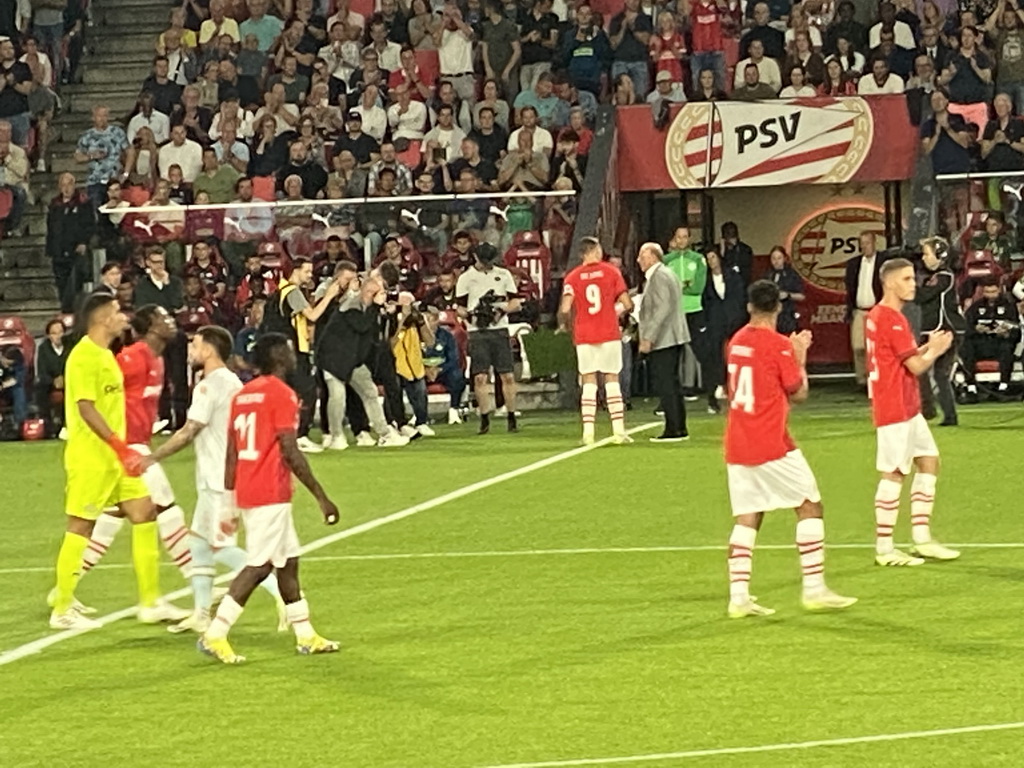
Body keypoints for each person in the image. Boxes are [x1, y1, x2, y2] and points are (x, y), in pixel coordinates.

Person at [197, 333, 341, 665]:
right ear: (278, 356)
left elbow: (232, 451)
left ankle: (306, 634)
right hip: (269, 491)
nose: (293, 355)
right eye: (288, 350)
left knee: (288, 561)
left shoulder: (244, 395)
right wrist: (321, 496)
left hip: (249, 488)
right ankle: (216, 633)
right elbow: (289, 449)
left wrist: (230, 498)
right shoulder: (281, 394)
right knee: (260, 565)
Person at [139, 325, 287, 634]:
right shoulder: (233, 382)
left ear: (208, 350)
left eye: (195, 345)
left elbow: (190, 429)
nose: (191, 350)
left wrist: (154, 457)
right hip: (223, 475)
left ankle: (284, 596)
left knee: (219, 546)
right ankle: (201, 613)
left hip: (217, 480)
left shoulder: (209, 387)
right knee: (199, 545)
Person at [725, 280, 857, 619]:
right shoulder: (779, 345)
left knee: (748, 516)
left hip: (738, 442)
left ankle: (738, 597)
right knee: (810, 506)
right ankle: (814, 589)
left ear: (750, 307)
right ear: (778, 308)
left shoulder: (737, 341)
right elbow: (798, 393)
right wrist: (800, 355)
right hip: (771, 442)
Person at [47, 294, 179, 630]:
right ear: (103, 318)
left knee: (144, 512)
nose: (124, 316)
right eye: (118, 311)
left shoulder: (106, 355)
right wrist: (119, 446)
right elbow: (86, 408)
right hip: (92, 458)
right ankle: (61, 607)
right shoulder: (83, 357)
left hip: (118, 458)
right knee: (81, 526)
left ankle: (150, 601)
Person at [72, 307, 198, 601]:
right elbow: (99, 395)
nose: (171, 322)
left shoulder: (158, 358)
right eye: (164, 318)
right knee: (165, 505)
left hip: (137, 443)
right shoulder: (131, 358)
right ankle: (196, 579)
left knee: (112, 517)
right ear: (151, 326)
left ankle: (66, 585)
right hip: (127, 448)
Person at [866, 258, 960, 567]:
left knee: (929, 461)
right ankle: (884, 548)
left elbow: (901, 358)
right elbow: (917, 366)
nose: (913, 283)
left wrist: (926, 347)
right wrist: (935, 350)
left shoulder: (881, 316)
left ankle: (921, 538)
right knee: (894, 473)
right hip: (894, 406)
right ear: (890, 282)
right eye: (907, 279)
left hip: (906, 405)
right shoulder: (891, 319)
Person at [558, 237, 633, 445]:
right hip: (608, 332)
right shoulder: (611, 271)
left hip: (584, 334)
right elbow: (627, 303)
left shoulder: (572, 277)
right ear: (596, 250)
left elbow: (565, 308)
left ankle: (588, 433)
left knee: (588, 381)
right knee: (612, 378)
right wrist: (613, 311)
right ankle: (619, 431)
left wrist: (568, 324)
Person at [271, 258, 342, 452]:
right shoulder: (292, 292)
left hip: (283, 351)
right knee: (308, 391)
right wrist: (328, 296)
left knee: (292, 394)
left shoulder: (281, 291)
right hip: (292, 351)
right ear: (295, 271)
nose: (310, 275)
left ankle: (287, 434)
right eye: (307, 271)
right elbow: (312, 316)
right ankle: (299, 435)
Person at [455, 242, 522, 434]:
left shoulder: (503, 274)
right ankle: (484, 418)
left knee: (507, 375)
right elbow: (459, 306)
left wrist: (502, 309)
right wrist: (471, 315)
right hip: (477, 331)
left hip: (499, 329)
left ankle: (511, 415)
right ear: (476, 257)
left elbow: (515, 301)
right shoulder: (466, 278)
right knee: (480, 377)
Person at [637, 241, 690, 442]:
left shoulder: (658, 276)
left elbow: (662, 308)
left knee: (666, 382)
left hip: (665, 338)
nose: (639, 260)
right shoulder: (668, 274)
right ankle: (678, 426)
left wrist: (648, 336)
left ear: (652, 256)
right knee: (672, 382)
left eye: (642, 256)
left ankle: (673, 428)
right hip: (673, 335)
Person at [915, 237, 963, 424]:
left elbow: (923, 296)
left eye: (927, 254)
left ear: (940, 256)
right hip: (933, 329)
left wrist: (906, 286)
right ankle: (932, 410)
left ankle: (939, 413)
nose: (924, 258)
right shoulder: (934, 277)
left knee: (938, 373)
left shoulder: (945, 276)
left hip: (944, 329)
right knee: (925, 371)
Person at [703, 247, 747, 414]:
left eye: (713, 257)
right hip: (715, 322)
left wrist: (739, 317)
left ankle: (737, 389)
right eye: (708, 258)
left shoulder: (733, 276)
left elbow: (740, 297)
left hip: (733, 320)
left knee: (737, 355)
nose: (711, 261)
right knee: (714, 355)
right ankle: (715, 392)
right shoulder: (705, 279)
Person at [960, 278, 1021, 401]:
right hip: (981, 342)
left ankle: (1003, 386)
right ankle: (971, 387)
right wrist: (977, 329)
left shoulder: (1009, 307)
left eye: (993, 292)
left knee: (1007, 347)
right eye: (988, 292)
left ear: (999, 290)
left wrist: (1006, 332)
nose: (990, 295)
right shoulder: (976, 307)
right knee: (966, 347)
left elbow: (1017, 329)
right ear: (983, 292)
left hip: (1000, 342)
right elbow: (966, 328)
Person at [844, 231, 883, 388]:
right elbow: (850, 288)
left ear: (874, 243)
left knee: (876, 347)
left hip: (877, 311)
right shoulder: (853, 264)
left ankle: (875, 378)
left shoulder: (883, 262)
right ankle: (861, 379)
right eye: (862, 243)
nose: (864, 246)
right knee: (858, 346)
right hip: (859, 310)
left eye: (867, 242)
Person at [36, 318, 68, 436]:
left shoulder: (71, 347)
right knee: (40, 387)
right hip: (50, 382)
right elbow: (42, 371)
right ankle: (48, 427)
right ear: (49, 335)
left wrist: (65, 379)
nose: (58, 336)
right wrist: (54, 381)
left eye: (60, 332)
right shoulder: (43, 349)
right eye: (54, 333)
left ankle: (66, 425)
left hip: (69, 380)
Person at [764, 245, 805, 334]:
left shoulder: (792, 275)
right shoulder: (767, 275)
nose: (776, 261)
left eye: (779, 258)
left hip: (788, 314)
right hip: (771, 316)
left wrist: (788, 295)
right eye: (773, 258)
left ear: (785, 258)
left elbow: (802, 296)